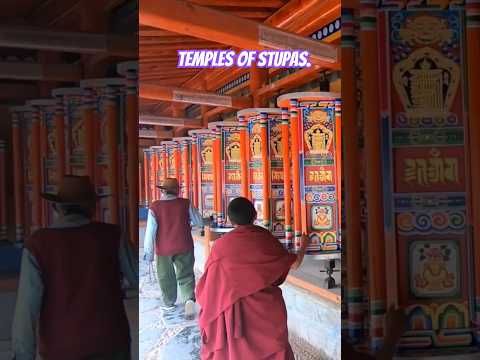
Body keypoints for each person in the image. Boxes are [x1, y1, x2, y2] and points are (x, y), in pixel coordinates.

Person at [11, 175, 138, 360]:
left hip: (60, 348)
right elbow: (137, 278)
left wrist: (23, 356)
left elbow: (26, 309)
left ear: (56, 208)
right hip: (111, 343)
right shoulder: (113, 236)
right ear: (92, 207)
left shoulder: (37, 244)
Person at [196, 197, 309, 360]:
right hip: (265, 311)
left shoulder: (221, 246)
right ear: (255, 215)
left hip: (233, 312)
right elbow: (295, 264)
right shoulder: (264, 238)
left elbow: (209, 287)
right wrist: (304, 244)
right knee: (273, 348)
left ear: (229, 219)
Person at [143, 177, 203, 319]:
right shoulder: (185, 203)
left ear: (163, 191)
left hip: (164, 249)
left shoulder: (155, 207)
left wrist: (149, 253)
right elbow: (199, 221)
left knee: (165, 276)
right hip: (184, 244)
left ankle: (169, 303)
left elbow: (150, 232)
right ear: (177, 191)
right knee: (186, 273)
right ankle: (188, 299)